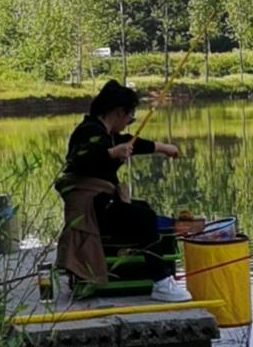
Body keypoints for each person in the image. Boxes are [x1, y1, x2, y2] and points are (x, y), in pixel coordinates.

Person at [55, 79, 192, 302]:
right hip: (91, 208)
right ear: (120, 112)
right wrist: (111, 154)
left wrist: (164, 149)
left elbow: (131, 143)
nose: (130, 122)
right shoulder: (88, 132)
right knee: (143, 217)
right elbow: (80, 158)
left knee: (142, 209)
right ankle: (161, 282)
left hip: (102, 203)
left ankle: (156, 275)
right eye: (131, 117)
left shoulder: (106, 133)